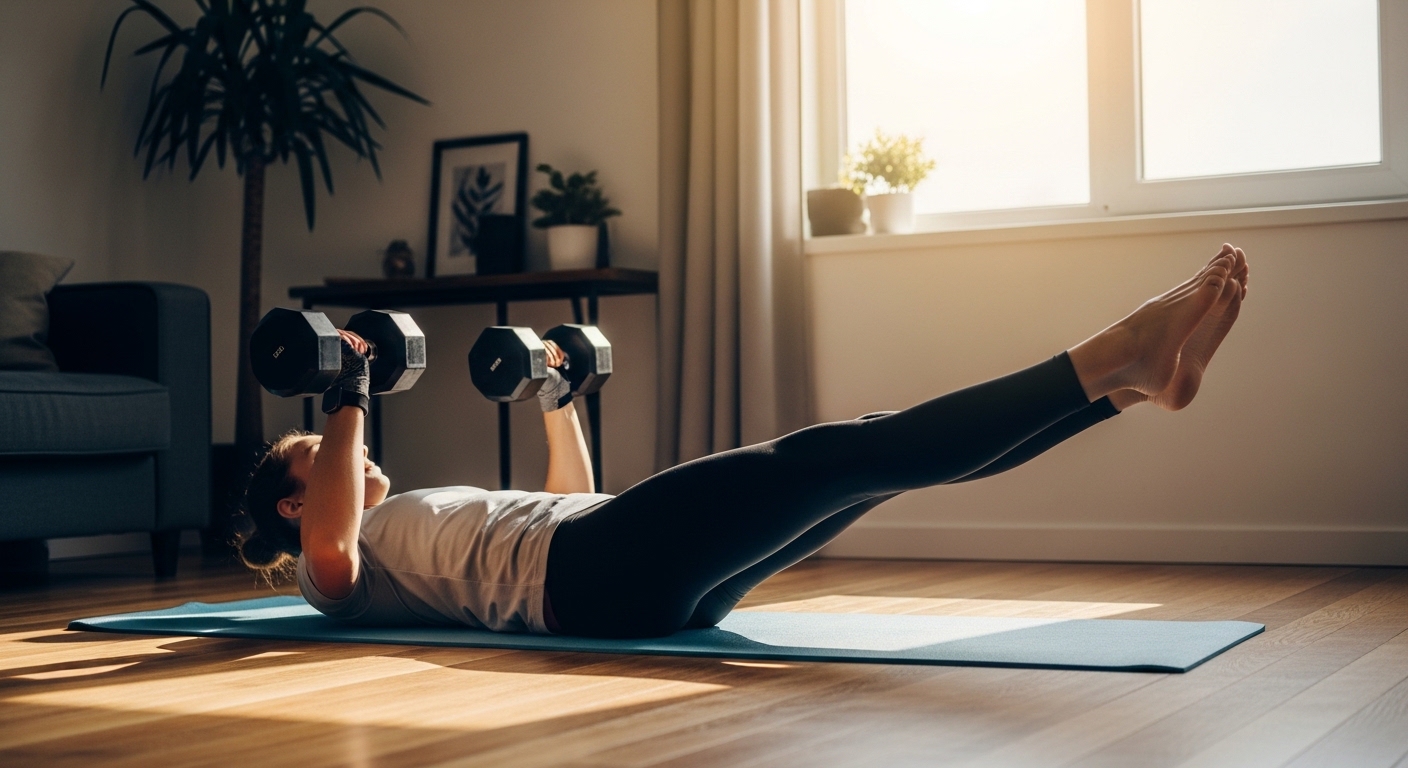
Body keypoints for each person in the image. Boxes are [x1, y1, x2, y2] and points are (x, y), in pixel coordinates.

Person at [238, 245, 1250, 639]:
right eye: (318, 464)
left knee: (870, 464)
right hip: (590, 581)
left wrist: (559, 390)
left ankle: (1116, 390)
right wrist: (347, 394)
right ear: (293, 500)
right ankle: (1108, 355)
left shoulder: (410, 525)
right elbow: (329, 545)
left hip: (604, 558)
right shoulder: (331, 574)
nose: (350, 459)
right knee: (846, 453)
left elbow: (570, 494)